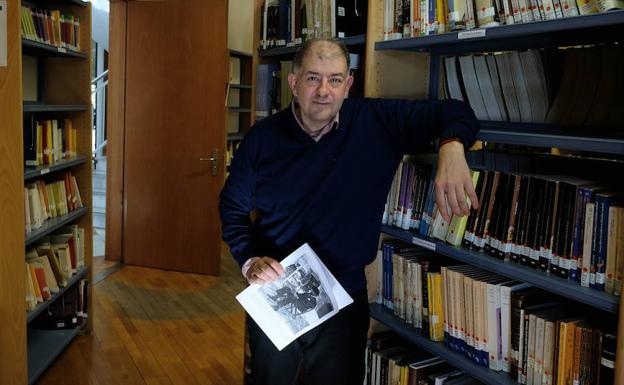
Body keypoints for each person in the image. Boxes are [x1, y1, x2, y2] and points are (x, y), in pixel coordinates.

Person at [219, 38, 480, 385]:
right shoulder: (261, 139)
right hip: (276, 292)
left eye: (335, 79)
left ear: (348, 85)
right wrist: (249, 259)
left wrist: (451, 146)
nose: (324, 91)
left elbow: (457, 111)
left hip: (344, 297)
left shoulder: (377, 121)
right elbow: (232, 207)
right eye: (313, 78)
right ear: (294, 83)